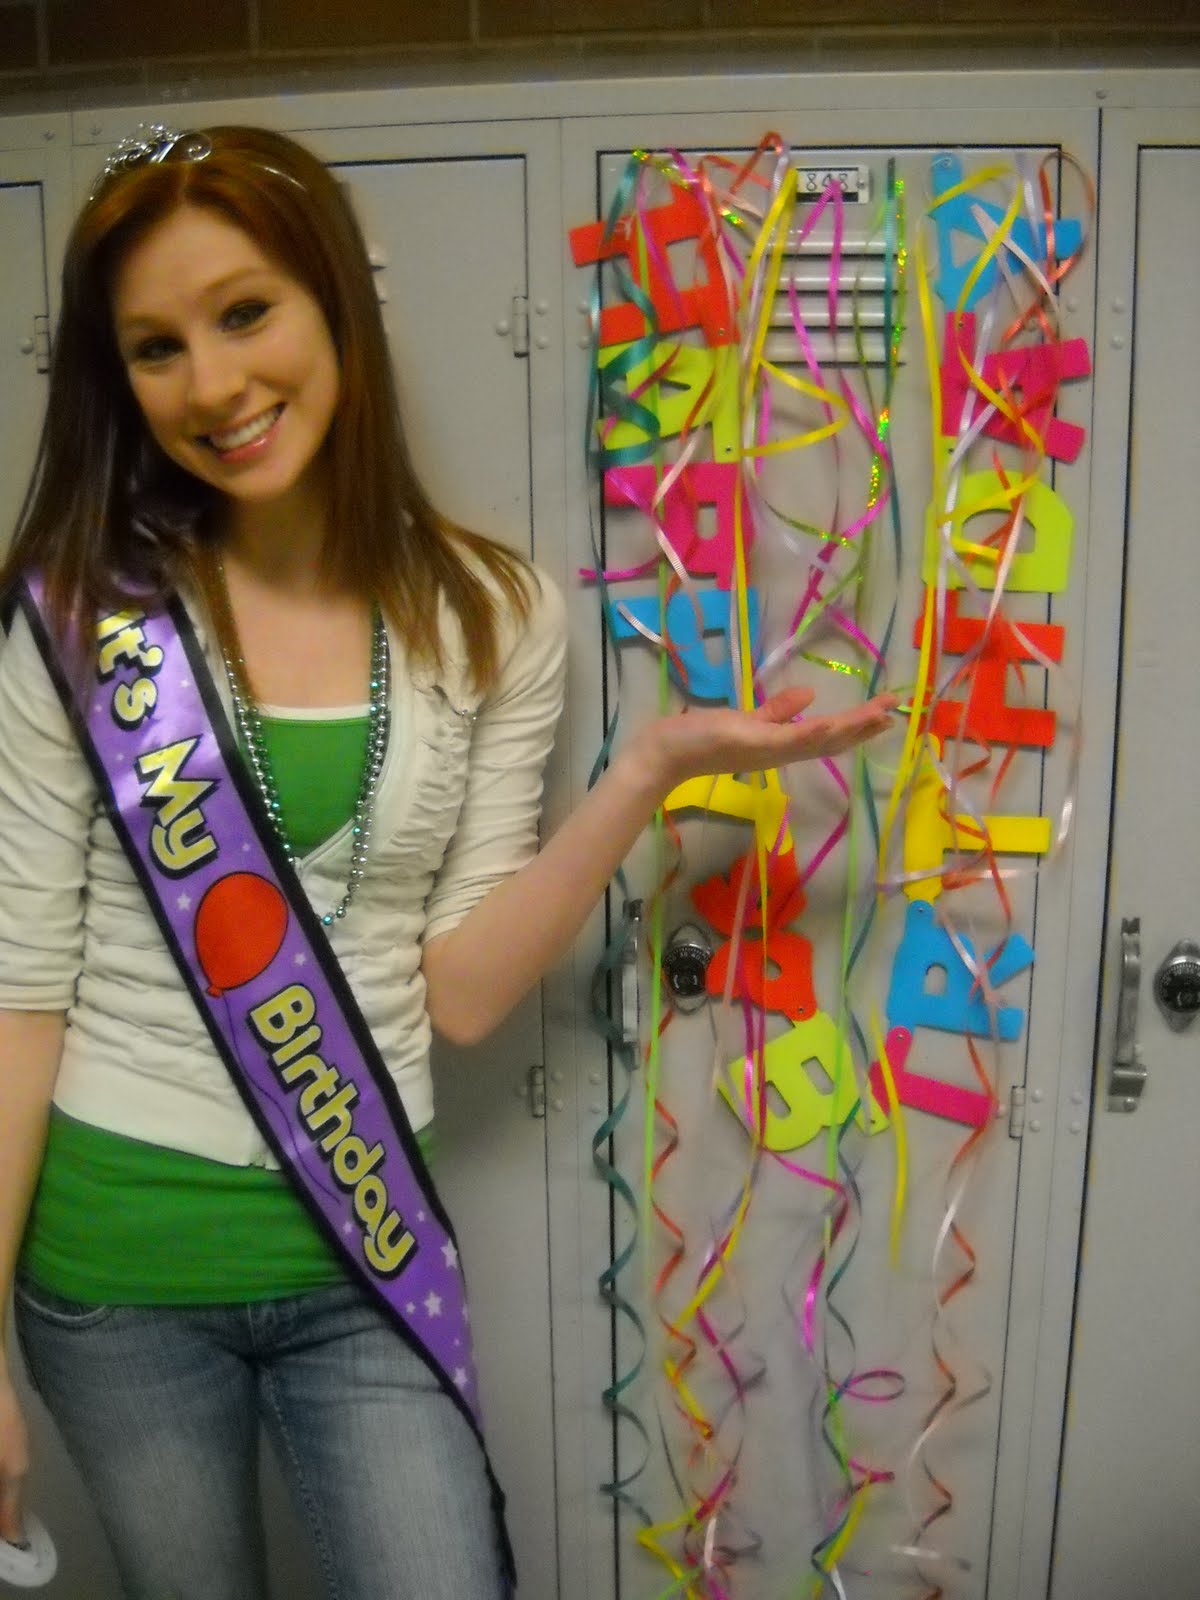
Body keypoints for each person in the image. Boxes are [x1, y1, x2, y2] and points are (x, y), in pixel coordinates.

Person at [0, 124, 895, 1600]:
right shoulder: (84, 617)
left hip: (360, 1250)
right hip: (113, 1280)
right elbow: (21, 994)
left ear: (338, 304)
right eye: (156, 347)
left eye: (245, 312)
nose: (212, 385)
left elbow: (466, 996)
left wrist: (647, 773)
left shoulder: (493, 611)